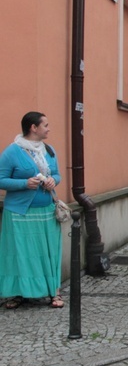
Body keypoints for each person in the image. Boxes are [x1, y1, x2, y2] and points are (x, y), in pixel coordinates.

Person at [0, 112, 64, 309]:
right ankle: (15, 293)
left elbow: (56, 174)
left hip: (46, 210)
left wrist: (54, 180)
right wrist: (23, 183)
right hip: (19, 213)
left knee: (48, 252)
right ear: (33, 128)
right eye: (45, 125)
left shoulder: (49, 150)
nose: (49, 128)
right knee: (19, 253)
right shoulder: (12, 151)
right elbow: (1, 179)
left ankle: (53, 291)